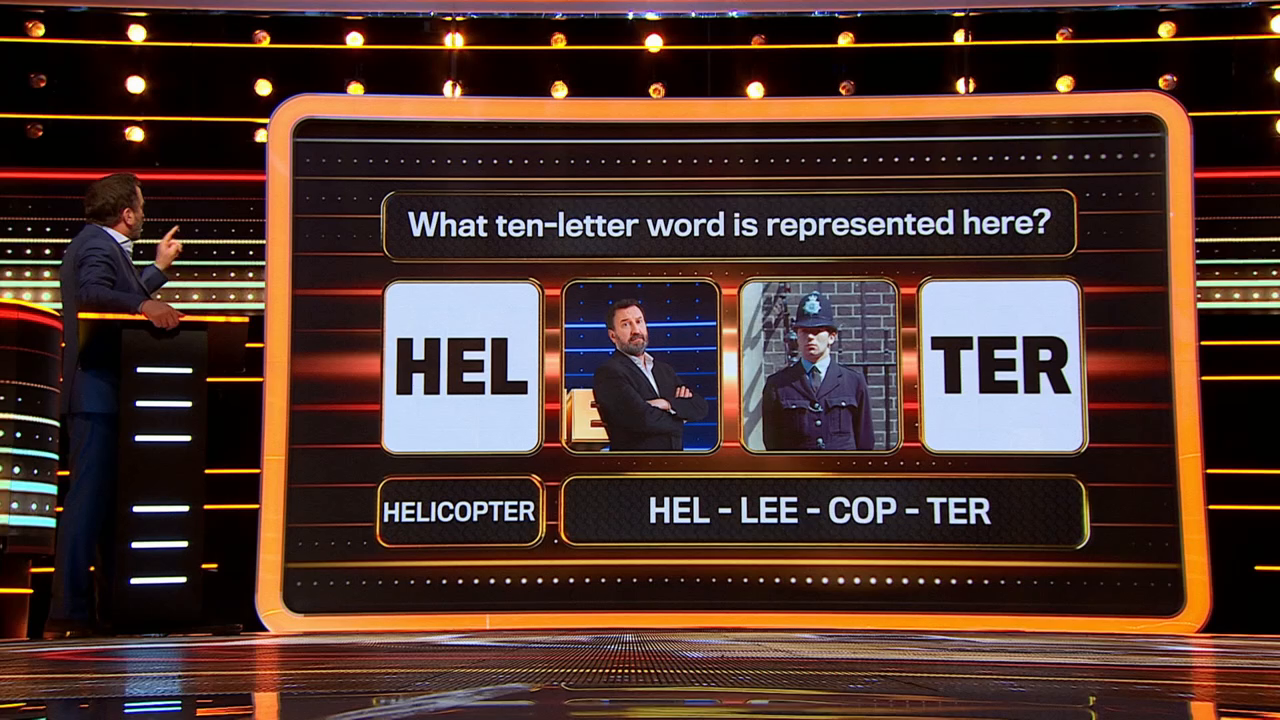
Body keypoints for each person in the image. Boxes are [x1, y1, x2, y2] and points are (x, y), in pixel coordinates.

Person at [45, 173, 183, 639]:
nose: (144, 215)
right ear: (126, 213)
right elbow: (92, 295)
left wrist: (157, 269)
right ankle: (67, 613)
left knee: (101, 505)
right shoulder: (95, 246)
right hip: (94, 394)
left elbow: (113, 294)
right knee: (85, 504)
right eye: (140, 207)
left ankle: (95, 610)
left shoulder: (103, 247)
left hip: (104, 394)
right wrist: (145, 307)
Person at [761, 290, 874, 451]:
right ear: (797, 336)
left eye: (817, 331)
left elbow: (865, 441)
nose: (810, 337)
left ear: (831, 337)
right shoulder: (778, 384)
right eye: (804, 331)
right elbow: (772, 442)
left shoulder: (853, 382)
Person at [591, 299, 708, 451]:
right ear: (613, 336)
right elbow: (642, 419)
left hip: (674, 463)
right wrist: (681, 416)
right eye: (626, 324)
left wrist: (666, 404)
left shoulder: (664, 370)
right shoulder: (609, 372)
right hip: (635, 464)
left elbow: (700, 407)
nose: (636, 330)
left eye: (639, 321)